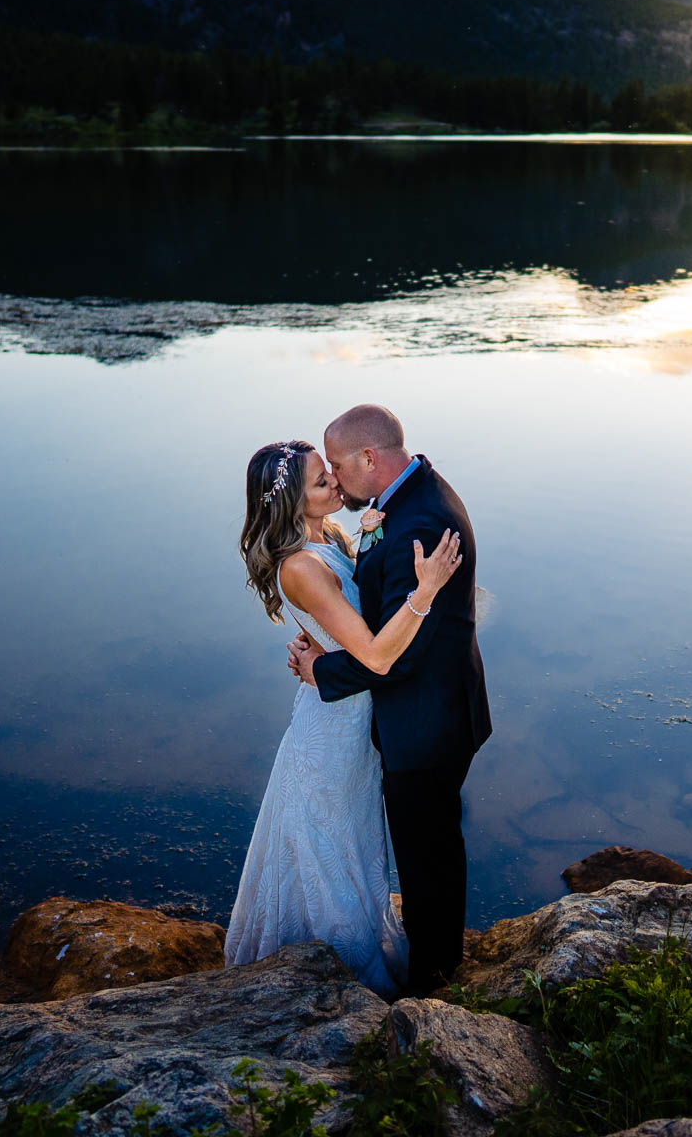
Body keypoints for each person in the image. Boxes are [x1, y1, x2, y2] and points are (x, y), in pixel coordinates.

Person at [225, 437, 462, 997]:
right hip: (331, 733)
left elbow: (353, 614)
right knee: (327, 852)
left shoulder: (328, 537)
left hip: (356, 718)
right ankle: (340, 976)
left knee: (354, 843)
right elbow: (377, 654)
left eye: (329, 472)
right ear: (292, 503)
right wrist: (425, 591)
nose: (335, 481)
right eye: (320, 481)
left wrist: (369, 540)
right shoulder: (302, 568)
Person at [289, 404, 491, 996]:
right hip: (428, 709)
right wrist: (325, 639)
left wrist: (323, 670)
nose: (332, 476)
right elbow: (376, 610)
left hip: (426, 723)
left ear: (369, 459)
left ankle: (435, 984)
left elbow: (393, 655)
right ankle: (438, 963)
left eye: (336, 465)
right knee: (430, 849)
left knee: (427, 859)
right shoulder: (405, 499)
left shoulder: (418, 522)